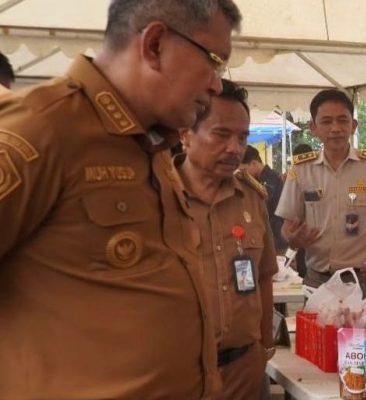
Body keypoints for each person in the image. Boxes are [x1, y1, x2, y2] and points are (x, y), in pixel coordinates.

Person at [0, 1, 241, 398]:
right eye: (214, 61)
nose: (216, 84)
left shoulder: (153, 146)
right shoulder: (39, 131)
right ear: (156, 44)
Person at [177, 80, 276, 400]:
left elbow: (263, 276)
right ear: (185, 135)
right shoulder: (156, 198)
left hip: (243, 371)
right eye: (221, 134)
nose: (235, 147)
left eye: (242, 137)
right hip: (178, 374)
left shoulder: (252, 199)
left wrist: (264, 347)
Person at [276, 89, 366, 296]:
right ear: (313, 127)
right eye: (326, 122)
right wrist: (293, 239)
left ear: (353, 126)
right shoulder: (300, 169)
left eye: (342, 120)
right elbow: (287, 226)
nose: (335, 128)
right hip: (318, 281)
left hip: (364, 281)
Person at [241, 144, 286, 252]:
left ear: (254, 163)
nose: (243, 175)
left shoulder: (271, 179)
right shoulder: (261, 180)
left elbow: (262, 204)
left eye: (244, 170)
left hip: (276, 238)